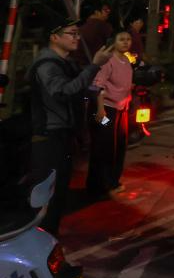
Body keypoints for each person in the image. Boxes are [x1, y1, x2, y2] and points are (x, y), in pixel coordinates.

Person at [28, 16, 112, 235]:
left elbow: (81, 88)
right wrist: (95, 65)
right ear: (54, 37)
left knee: (60, 195)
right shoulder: (46, 65)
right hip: (48, 138)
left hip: (64, 136)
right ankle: (42, 248)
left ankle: (50, 244)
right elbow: (64, 91)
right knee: (48, 199)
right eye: (71, 33)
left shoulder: (67, 63)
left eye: (77, 33)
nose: (77, 37)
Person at [87, 29, 134, 197]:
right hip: (107, 111)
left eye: (128, 39)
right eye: (121, 39)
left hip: (122, 111)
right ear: (113, 42)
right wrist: (100, 109)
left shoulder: (126, 60)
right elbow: (96, 85)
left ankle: (113, 181)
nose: (126, 42)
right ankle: (100, 185)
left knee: (120, 145)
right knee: (105, 145)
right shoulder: (108, 61)